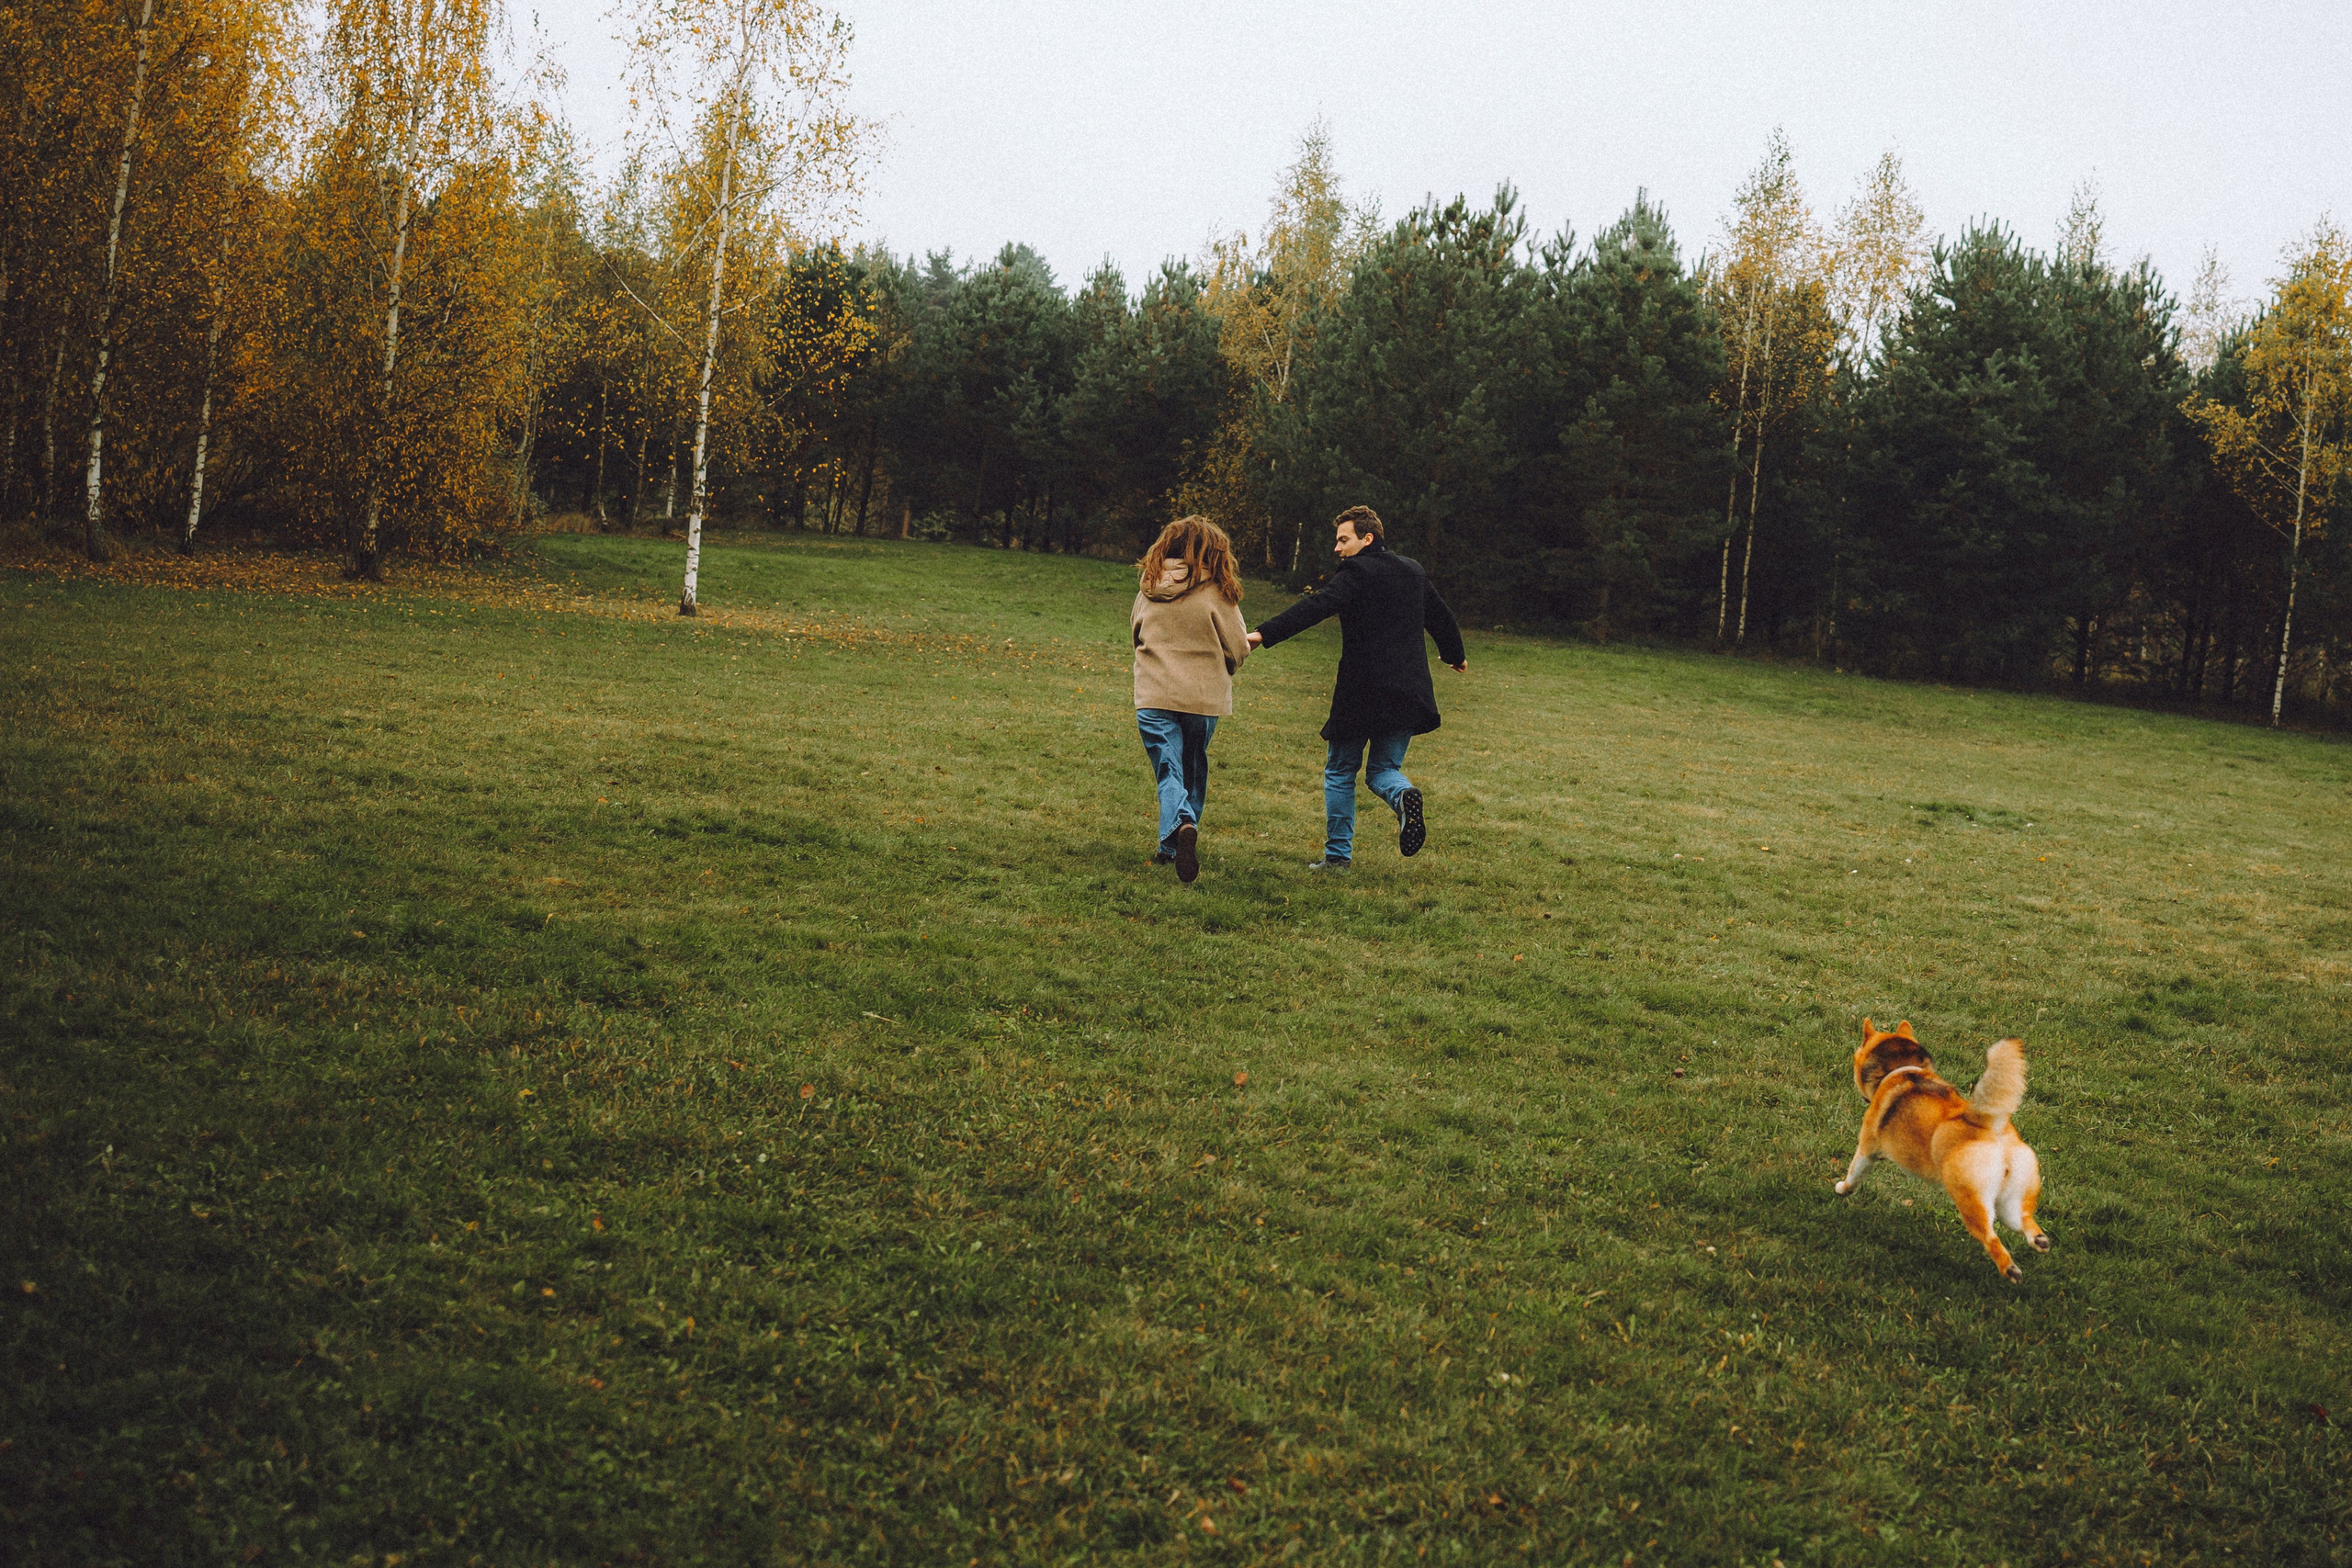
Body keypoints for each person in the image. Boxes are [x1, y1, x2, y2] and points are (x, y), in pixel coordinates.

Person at [1245, 505, 1464, 871]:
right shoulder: (1413, 570)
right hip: (1410, 690)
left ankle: (1337, 858)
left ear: (1368, 538)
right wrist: (1454, 654)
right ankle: (1402, 794)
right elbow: (1439, 614)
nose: (1337, 548)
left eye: (1343, 539)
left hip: (1362, 692)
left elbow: (1318, 605)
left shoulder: (1357, 571)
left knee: (1341, 770)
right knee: (1383, 769)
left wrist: (1263, 634)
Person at [1130, 515, 1250, 884]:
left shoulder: (1149, 585)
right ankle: (1184, 829)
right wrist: (1226, 664)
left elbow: (1135, 632)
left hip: (1153, 694)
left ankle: (1176, 835)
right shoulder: (1217, 591)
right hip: (1202, 697)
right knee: (1193, 769)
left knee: (1169, 770)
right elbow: (1238, 647)